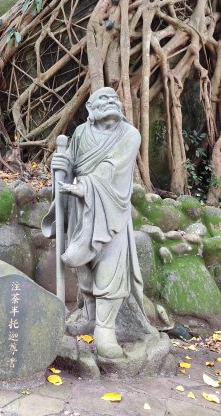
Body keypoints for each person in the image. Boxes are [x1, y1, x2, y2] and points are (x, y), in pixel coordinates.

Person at [42, 87, 153, 359]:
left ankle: (105, 329)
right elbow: (70, 170)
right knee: (81, 264)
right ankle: (89, 315)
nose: (111, 101)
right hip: (81, 209)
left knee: (110, 268)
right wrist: (61, 165)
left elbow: (114, 168)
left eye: (114, 98)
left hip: (112, 208)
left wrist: (86, 186)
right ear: (90, 109)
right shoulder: (80, 134)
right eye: (103, 99)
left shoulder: (130, 135)